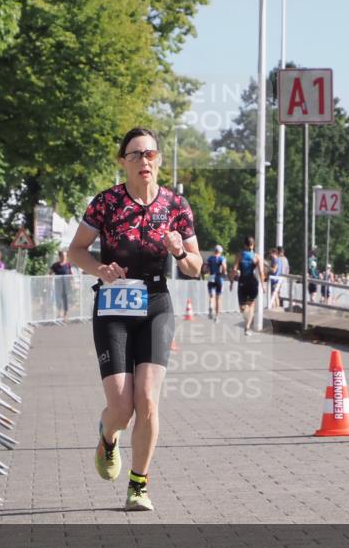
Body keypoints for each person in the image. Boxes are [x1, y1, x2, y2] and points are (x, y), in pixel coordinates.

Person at [67, 127, 201, 511]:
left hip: (156, 302)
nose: (145, 161)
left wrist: (178, 252)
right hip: (114, 303)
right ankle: (107, 437)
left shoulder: (176, 206)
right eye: (136, 155)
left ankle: (138, 485)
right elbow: (75, 250)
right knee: (122, 409)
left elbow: (195, 267)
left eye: (151, 154)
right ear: (122, 162)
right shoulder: (106, 203)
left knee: (147, 400)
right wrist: (99, 269)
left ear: (158, 160)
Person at [232, 236, 266, 336]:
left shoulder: (240, 255)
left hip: (243, 282)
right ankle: (247, 327)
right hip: (252, 282)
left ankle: (247, 327)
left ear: (244, 245)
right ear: (253, 244)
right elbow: (261, 272)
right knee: (250, 306)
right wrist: (263, 285)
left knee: (243, 307)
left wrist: (231, 280)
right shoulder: (257, 257)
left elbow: (234, 269)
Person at [204, 245, 226, 322]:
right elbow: (224, 267)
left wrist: (207, 272)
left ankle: (210, 306)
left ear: (214, 251)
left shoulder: (210, 258)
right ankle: (217, 317)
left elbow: (205, 268)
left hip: (211, 276)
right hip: (218, 277)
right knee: (218, 298)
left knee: (211, 295)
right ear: (220, 252)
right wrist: (224, 273)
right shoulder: (221, 258)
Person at [49, 250, 73, 320]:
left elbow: (71, 274)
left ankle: (65, 313)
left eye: (65, 256)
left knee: (65, 298)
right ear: (59, 256)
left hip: (66, 284)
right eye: (62, 256)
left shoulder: (68, 265)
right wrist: (49, 280)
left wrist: (72, 282)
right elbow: (50, 273)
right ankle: (59, 312)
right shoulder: (55, 265)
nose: (64, 257)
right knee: (58, 298)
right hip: (58, 284)